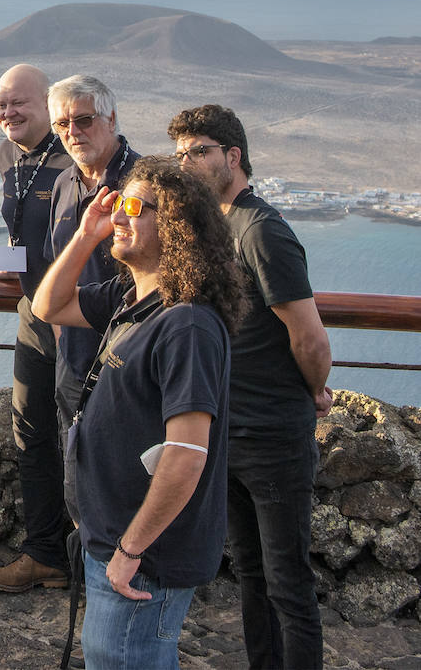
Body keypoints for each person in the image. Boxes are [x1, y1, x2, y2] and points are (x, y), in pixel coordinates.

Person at [33, 156, 246, 669]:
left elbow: (188, 454)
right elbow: (48, 306)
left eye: (134, 206)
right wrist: (86, 237)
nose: (119, 216)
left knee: (127, 659)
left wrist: (131, 550)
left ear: (174, 224)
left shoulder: (187, 324)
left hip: (143, 553)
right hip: (112, 538)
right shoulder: (135, 298)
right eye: (118, 204)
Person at [169, 105, 332, 669]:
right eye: (182, 153)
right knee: (250, 573)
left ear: (233, 156)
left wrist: (316, 391)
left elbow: (309, 337)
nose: (188, 164)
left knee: (288, 581)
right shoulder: (215, 227)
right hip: (226, 431)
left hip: (273, 434)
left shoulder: (262, 230)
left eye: (201, 152)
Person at [0, 64, 76, 593]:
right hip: (33, 317)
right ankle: (44, 555)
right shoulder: (8, 157)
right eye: (1, 104)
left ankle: (100, 562)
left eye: (20, 103)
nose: (9, 113)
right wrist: (5, 265)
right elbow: (21, 230)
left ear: (48, 104)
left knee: (88, 440)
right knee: (31, 435)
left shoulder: (74, 159)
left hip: (80, 324)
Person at [43, 74, 140, 516]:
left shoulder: (143, 186)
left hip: (130, 367)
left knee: (126, 492)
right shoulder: (63, 184)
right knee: (78, 491)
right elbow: (57, 269)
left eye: (83, 120)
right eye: (62, 125)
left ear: (111, 118)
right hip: (74, 364)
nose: (72, 133)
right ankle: (85, 582)